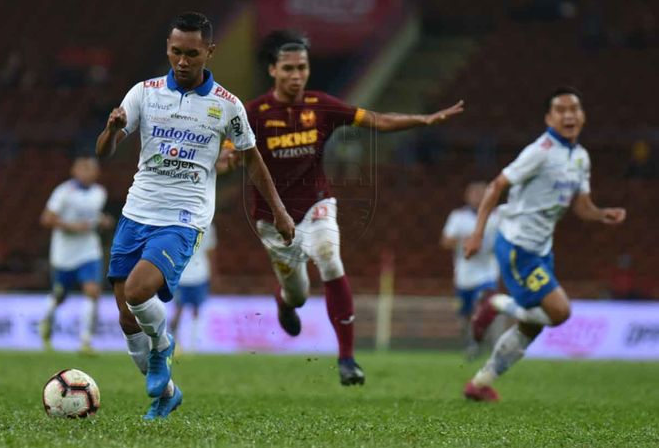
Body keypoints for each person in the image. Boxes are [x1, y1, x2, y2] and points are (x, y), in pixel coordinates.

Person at [219, 30, 464, 385]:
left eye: (301, 67)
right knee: (298, 292)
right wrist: (225, 160)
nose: (296, 75)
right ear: (273, 70)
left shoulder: (322, 106)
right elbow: (229, 154)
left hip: (318, 203)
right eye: (288, 68)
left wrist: (422, 120)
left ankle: (347, 359)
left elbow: (376, 120)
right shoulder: (253, 113)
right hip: (273, 221)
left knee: (329, 256)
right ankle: (286, 301)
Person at [95, 12, 294, 420]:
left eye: (191, 53)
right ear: (167, 50)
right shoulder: (145, 93)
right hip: (137, 211)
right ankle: (166, 394)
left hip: (183, 218)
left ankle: (163, 346)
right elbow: (103, 152)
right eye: (175, 52)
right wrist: (112, 130)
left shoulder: (226, 106)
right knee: (124, 317)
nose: (182, 61)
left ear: (209, 51)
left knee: (136, 293)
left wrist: (279, 210)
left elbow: (253, 159)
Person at [462, 87, 626, 402]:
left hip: (541, 248)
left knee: (531, 326)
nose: (568, 115)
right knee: (560, 313)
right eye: (561, 110)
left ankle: (479, 384)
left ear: (582, 116)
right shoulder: (540, 151)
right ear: (549, 118)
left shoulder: (580, 157)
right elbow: (497, 185)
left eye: (574, 109)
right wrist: (477, 233)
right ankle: (494, 304)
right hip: (517, 247)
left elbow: (582, 206)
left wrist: (602, 214)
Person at [38, 156, 112, 354]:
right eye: (83, 168)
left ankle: (86, 341)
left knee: (92, 292)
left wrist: (103, 221)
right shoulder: (64, 192)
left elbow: (93, 216)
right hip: (64, 254)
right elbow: (46, 218)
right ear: (74, 171)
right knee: (60, 296)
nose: (87, 172)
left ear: (96, 173)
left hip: (88, 251)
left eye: (91, 169)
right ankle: (46, 323)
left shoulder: (99, 193)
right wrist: (71, 226)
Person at [440, 181, 500, 360]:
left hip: (488, 272)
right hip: (464, 274)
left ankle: (483, 342)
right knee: (465, 316)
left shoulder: (497, 217)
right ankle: (470, 341)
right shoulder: (458, 217)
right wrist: (465, 240)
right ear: (467, 196)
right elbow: (445, 241)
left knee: (484, 307)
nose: (478, 197)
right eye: (475, 194)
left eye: (482, 194)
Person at [170, 222, 217, 352]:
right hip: (189, 274)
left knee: (183, 309)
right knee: (190, 310)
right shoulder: (207, 224)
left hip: (193, 273)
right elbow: (211, 252)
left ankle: (190, 344)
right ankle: (184, 343)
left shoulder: (181, 223)